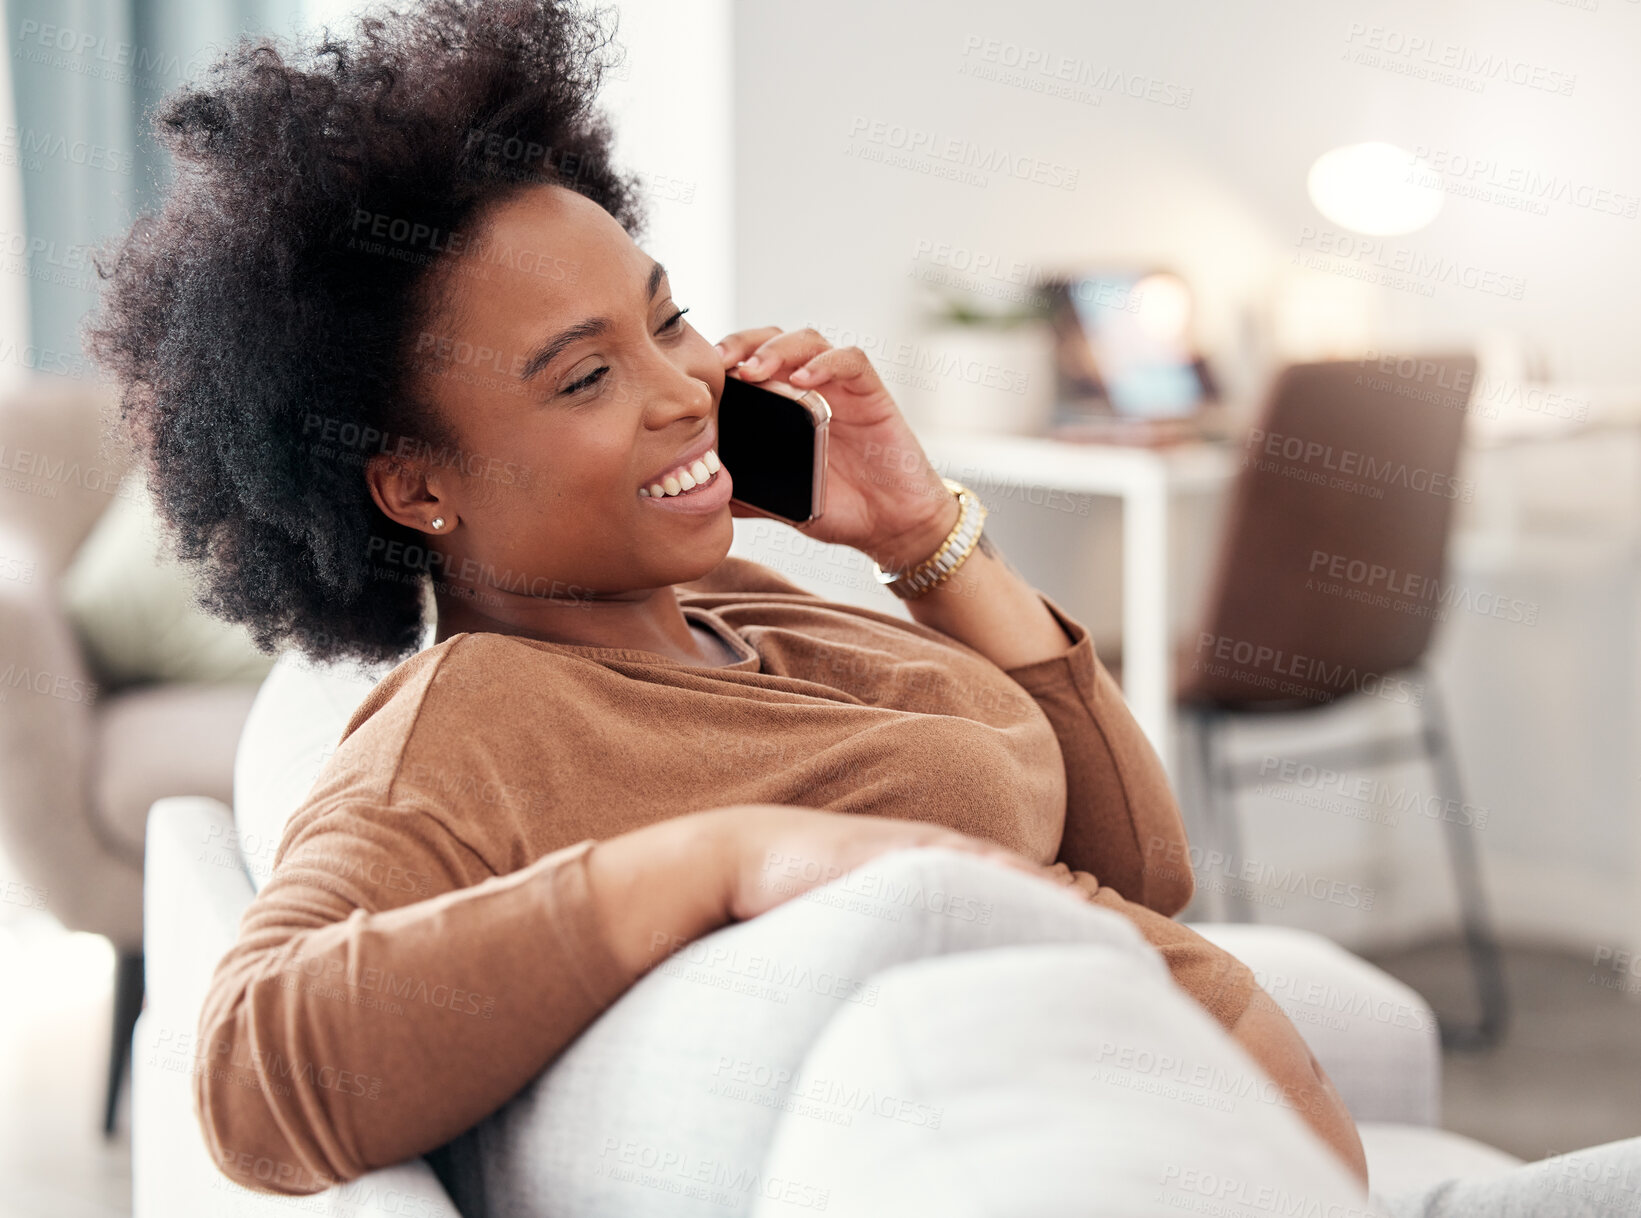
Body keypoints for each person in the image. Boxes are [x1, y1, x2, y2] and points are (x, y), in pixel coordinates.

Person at [102, 0, 1608, 1207]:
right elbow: (248, 1078)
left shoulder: (760, 604)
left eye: (667, 316)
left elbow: (1140, 863)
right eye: (583, 374)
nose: (684, 385)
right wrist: (717, 858)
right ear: (416, 486)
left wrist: (916, 532)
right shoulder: (468, 722)